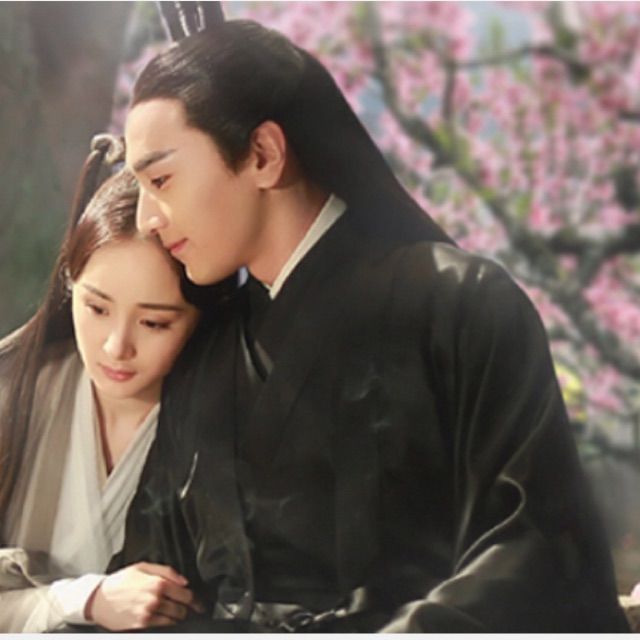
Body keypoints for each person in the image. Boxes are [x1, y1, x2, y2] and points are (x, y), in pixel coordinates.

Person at [115, 19, 629, 632]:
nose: (146, 219)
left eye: (161, 180)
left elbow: (537, 550)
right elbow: (158, 577)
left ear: (263, 155)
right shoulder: (207, 354)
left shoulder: (459, 304)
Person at [0, 137, 217, 632]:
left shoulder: (223, 416)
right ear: (69, 286)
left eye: (154, 323)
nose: (117, 347)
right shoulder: (14, 393)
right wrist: (84, 599)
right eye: (96, 308)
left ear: (199, 318)